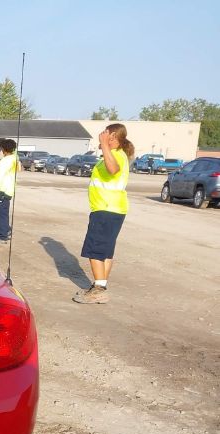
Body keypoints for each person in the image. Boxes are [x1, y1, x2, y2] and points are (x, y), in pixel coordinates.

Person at [73, 123, 134, 304]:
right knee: (106, 252)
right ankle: (100, 285)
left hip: (106, 210)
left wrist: (105, 145)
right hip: (112, 209)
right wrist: (104, 146)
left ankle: (99, 290)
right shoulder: (117, 154)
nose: (101, 136)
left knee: (95, 250)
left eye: (104, 134)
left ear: (113, 135)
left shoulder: (116, 155)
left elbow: (113, 169)